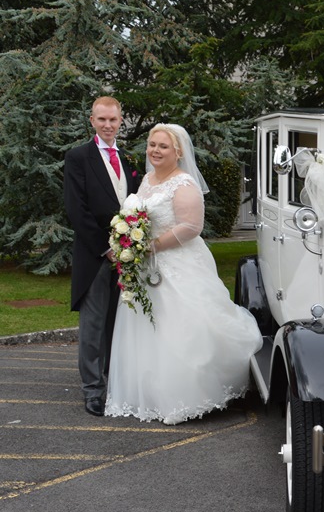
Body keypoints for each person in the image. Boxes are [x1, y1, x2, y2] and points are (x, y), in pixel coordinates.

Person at [104, 123, 262, 425]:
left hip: (178, 263)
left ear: (178, 152)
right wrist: (127, 242)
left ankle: (188, 394)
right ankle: (151, 394)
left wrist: (150, 247)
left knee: (184, 327)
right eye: (152, 144)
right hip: (147, 267)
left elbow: (191, 228)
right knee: (150, 329)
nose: (155, 150)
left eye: (163, 146)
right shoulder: (148, 180)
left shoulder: (184, 183)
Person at [64, 96, 141, 416]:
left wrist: (129, 248)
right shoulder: (78, 157)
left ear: (120, 121)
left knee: (119, 322)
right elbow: (76, 210)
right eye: (102, 119)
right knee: (93, 326)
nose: (108, 125)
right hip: (96, 256)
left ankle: (114, 382)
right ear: (92, 120)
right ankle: (93, 390)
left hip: (126, 257)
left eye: (113, 120)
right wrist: (106, 247)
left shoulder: (129, 159)